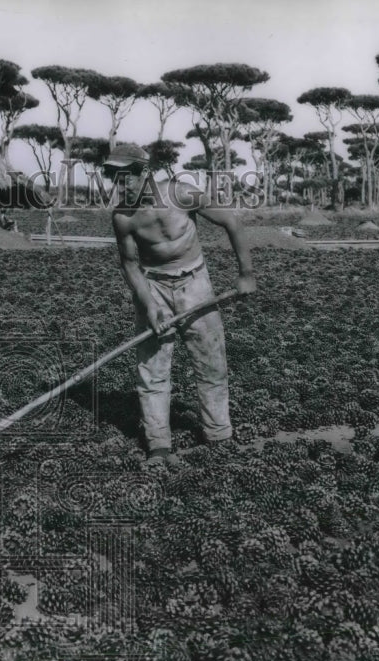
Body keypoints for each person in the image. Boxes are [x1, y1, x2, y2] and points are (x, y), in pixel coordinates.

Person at [107, 144, 256, 467]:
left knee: (211, 362)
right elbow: (131, 265)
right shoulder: (123, 218)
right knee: (153, 371)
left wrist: (245, 274)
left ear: (144, 173)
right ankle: (159, 446)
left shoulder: (182, 194)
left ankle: (219, 436)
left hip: (195, 283)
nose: (121, 187)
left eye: (127, 179)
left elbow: (231, 220)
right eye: (114, 180)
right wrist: (149, 307)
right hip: (153, 286)